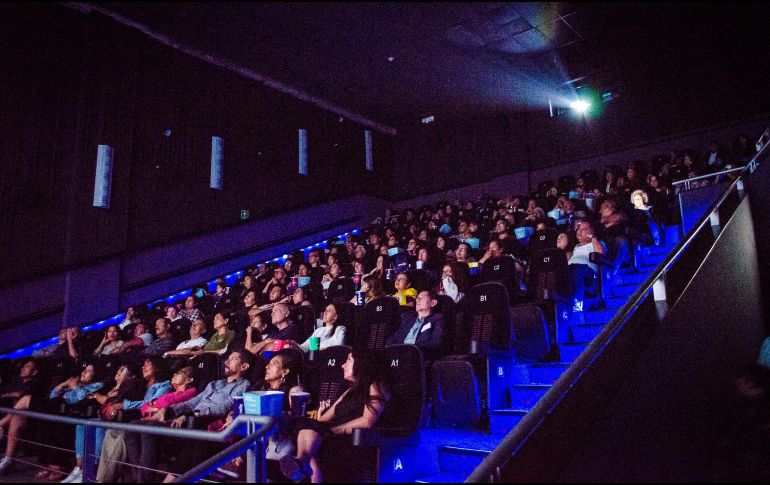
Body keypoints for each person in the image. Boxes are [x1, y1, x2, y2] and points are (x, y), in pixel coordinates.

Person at [131, 351, 253, 483]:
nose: (227, 361)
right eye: (227, 358)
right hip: (187, 419)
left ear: (244, 366)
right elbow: (192, 402)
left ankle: (143, 480)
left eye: (233, 359)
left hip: (201, 421)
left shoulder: (243, 385)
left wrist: (190, 415)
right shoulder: (213, 383)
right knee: (133, 427)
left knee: (149, 431)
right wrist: (168, 410)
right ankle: (141, 477)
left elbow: (223, 407)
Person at [280, 348, 390, 483]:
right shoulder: (350, 389)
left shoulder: (376, 384)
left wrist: (332, 430)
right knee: (306, 426)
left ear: (361, 363)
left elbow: (367, 422)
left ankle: (302, 463)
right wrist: (313, 428)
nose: (342, 365)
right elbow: (325, 418)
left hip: (354, 441)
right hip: (332, 435)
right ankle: (303, 462)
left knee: (314, 443)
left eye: (348, 360)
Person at [60, 362, 143, 483]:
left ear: (131, 376)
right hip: (99, 416)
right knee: (82, 424)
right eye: (119, 368)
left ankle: (92, 469)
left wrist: (101, 398)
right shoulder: (109, 386)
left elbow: (112, 402)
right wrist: (98, 398)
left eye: (123, 369)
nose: (119, 370)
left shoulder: (129, 386)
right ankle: (79, 468)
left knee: (97, 425)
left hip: (112, 420)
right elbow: (94, 397)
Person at [94, 358, 172, 482]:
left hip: (150, 420)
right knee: (101, 427)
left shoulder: (164, 384)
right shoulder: (139, 384)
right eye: (143, 364)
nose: (144, 367)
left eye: (148, 364)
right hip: (132, 419)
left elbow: (152, 404)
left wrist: (124, 405)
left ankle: (103, 480)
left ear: (157, 367)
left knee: (117, 433)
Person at [0, 359, 46, 475]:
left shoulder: (36, 383)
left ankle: (8, 460)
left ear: (34, 372)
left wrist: (5, 395)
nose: (23, 368)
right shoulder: (16, 381)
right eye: (24, 365)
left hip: (31, 419)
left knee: (16, 418)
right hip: (9, 414)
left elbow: (22, 395)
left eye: (27, 366)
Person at [386, 290, 447, 362]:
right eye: (417, 298)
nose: (417, 300)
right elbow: (395, 337)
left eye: (422, 298)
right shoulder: (407, 318)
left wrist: (412, 350)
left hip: (418, 358)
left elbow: (435, 342)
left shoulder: (437, 319)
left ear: (433, 303)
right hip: (399, 356)